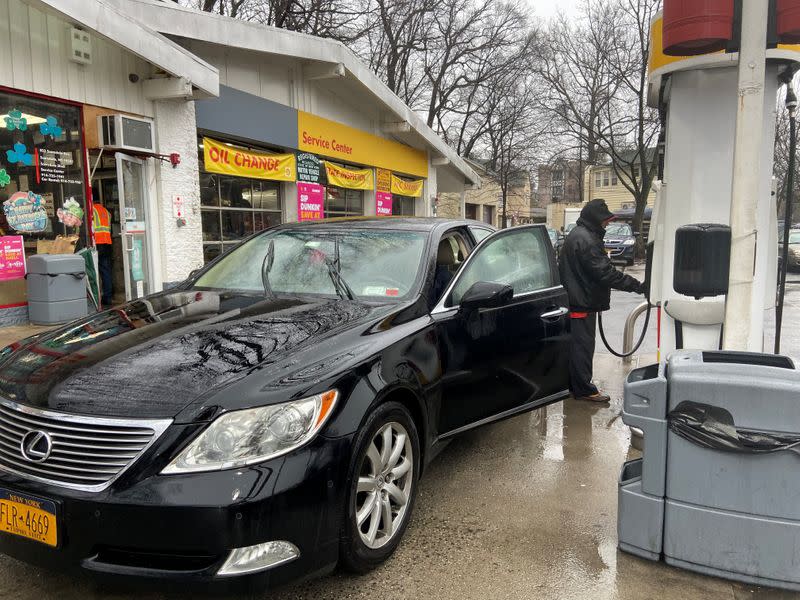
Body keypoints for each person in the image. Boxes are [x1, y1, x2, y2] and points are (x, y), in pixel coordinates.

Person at [559, 199, 645, 403]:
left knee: (578, 347)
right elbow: (605, 273)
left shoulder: (580, 235)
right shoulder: (587, 240)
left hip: (578, 299)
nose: (607, 224)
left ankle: (575, 386)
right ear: (594, 220)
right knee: (582, 347)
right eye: (605, 220)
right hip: (581, 302)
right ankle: (584, 390)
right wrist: (637, 286)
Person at [92, 202, 113, 307]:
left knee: (93, 271)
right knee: (105, 271)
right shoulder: (106, 211)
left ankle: (95, 298)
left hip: (97, 243)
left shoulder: (92, 210)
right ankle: (108, 297)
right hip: (107, 243)